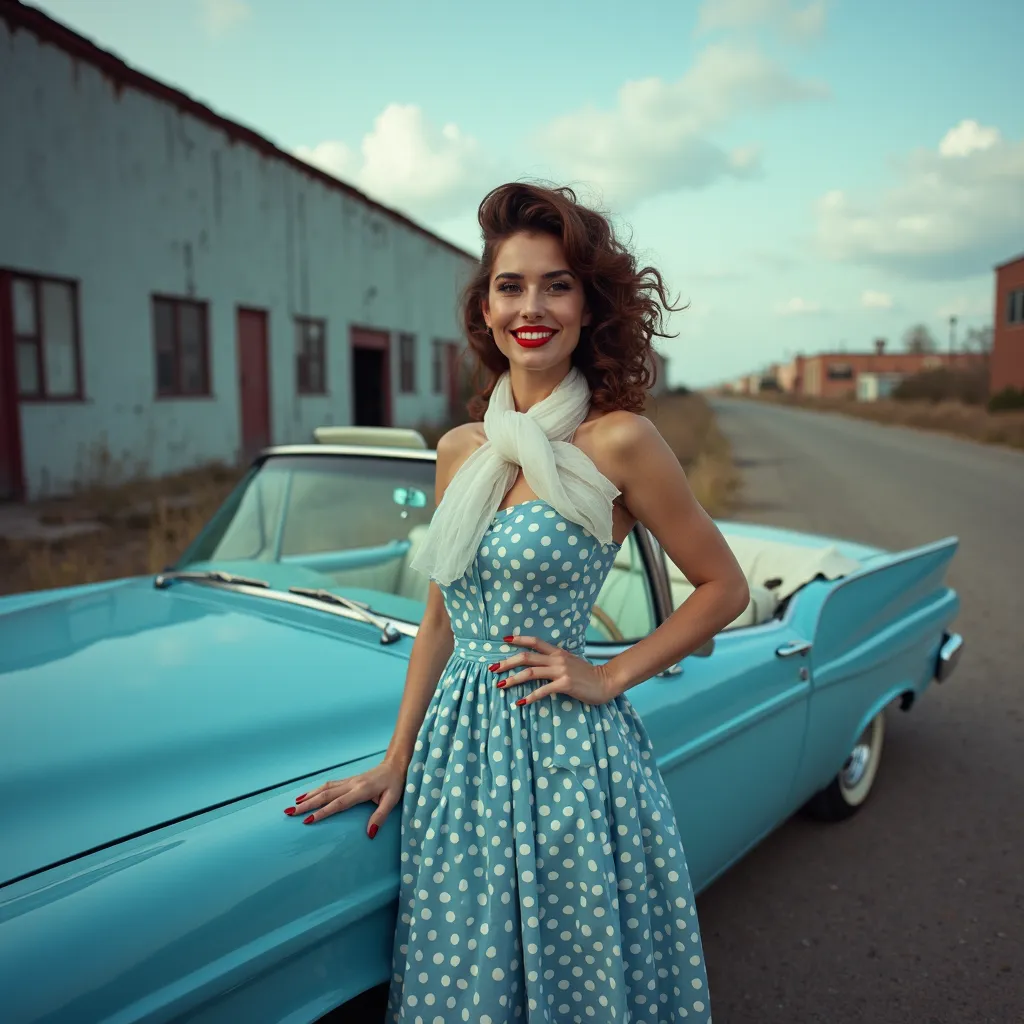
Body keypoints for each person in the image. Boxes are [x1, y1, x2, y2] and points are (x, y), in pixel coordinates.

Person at [288, 182, 749, 1022]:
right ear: (487, 306)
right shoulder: (460, 449)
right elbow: (439, 615)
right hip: (459, 756)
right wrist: (397, 758)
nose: (531, 306)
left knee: (570, 979)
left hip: (567, 757)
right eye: (511, 285)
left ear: (587, 306)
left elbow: (724, 588)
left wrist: (610, 677)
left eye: (556, 284)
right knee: (465, 977)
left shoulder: (618, 440)